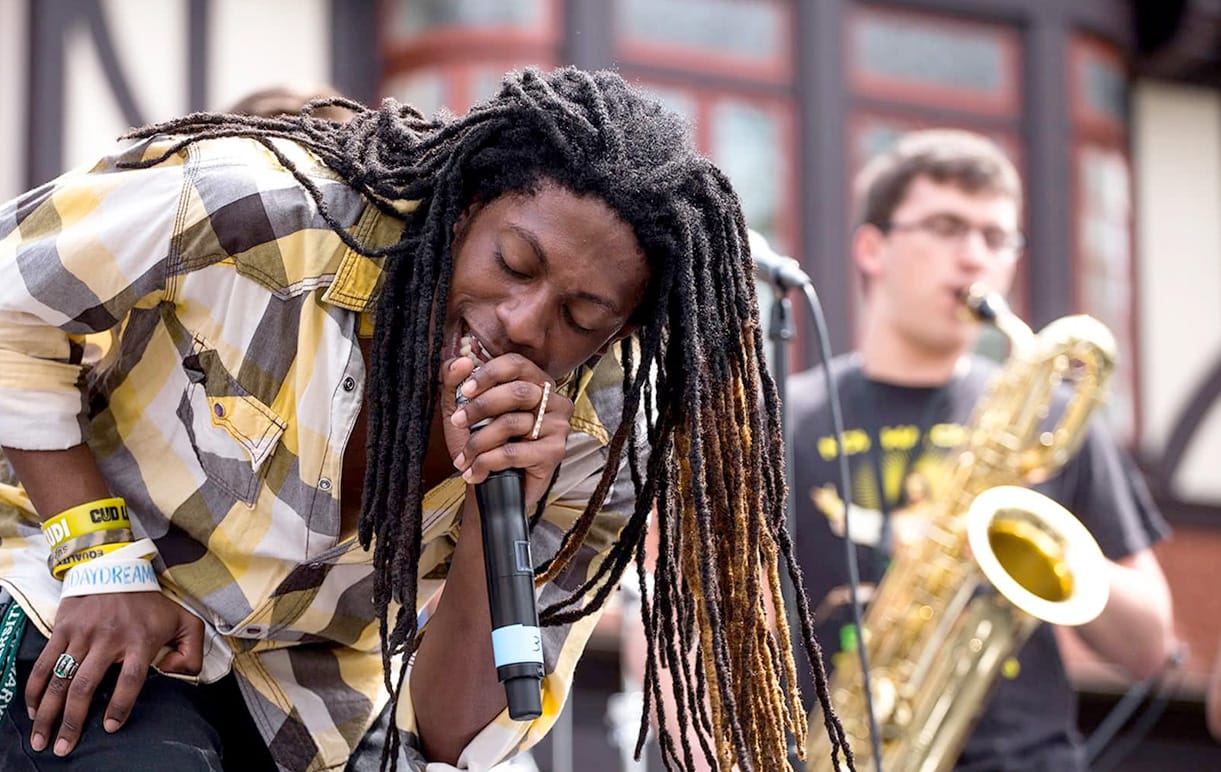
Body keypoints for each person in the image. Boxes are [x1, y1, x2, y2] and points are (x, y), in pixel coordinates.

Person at [0, 67, 847, 771]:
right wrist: (103, 559)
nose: (524, 321)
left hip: (280, 714)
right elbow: (12, 302)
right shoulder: (269, 208)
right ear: (464, 204)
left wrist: (496, 507)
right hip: (54, 582)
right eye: (512, 262)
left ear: (620, 330)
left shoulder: (602, 439)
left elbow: (456, 732)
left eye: (580, 316)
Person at [789, 129, 1176, 770]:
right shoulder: (782, 419)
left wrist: (1035, 544)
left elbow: (1149, 646)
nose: (974, 257)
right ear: (872, 247)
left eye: (996, 238)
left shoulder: (1049, 416)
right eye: (945, 227)